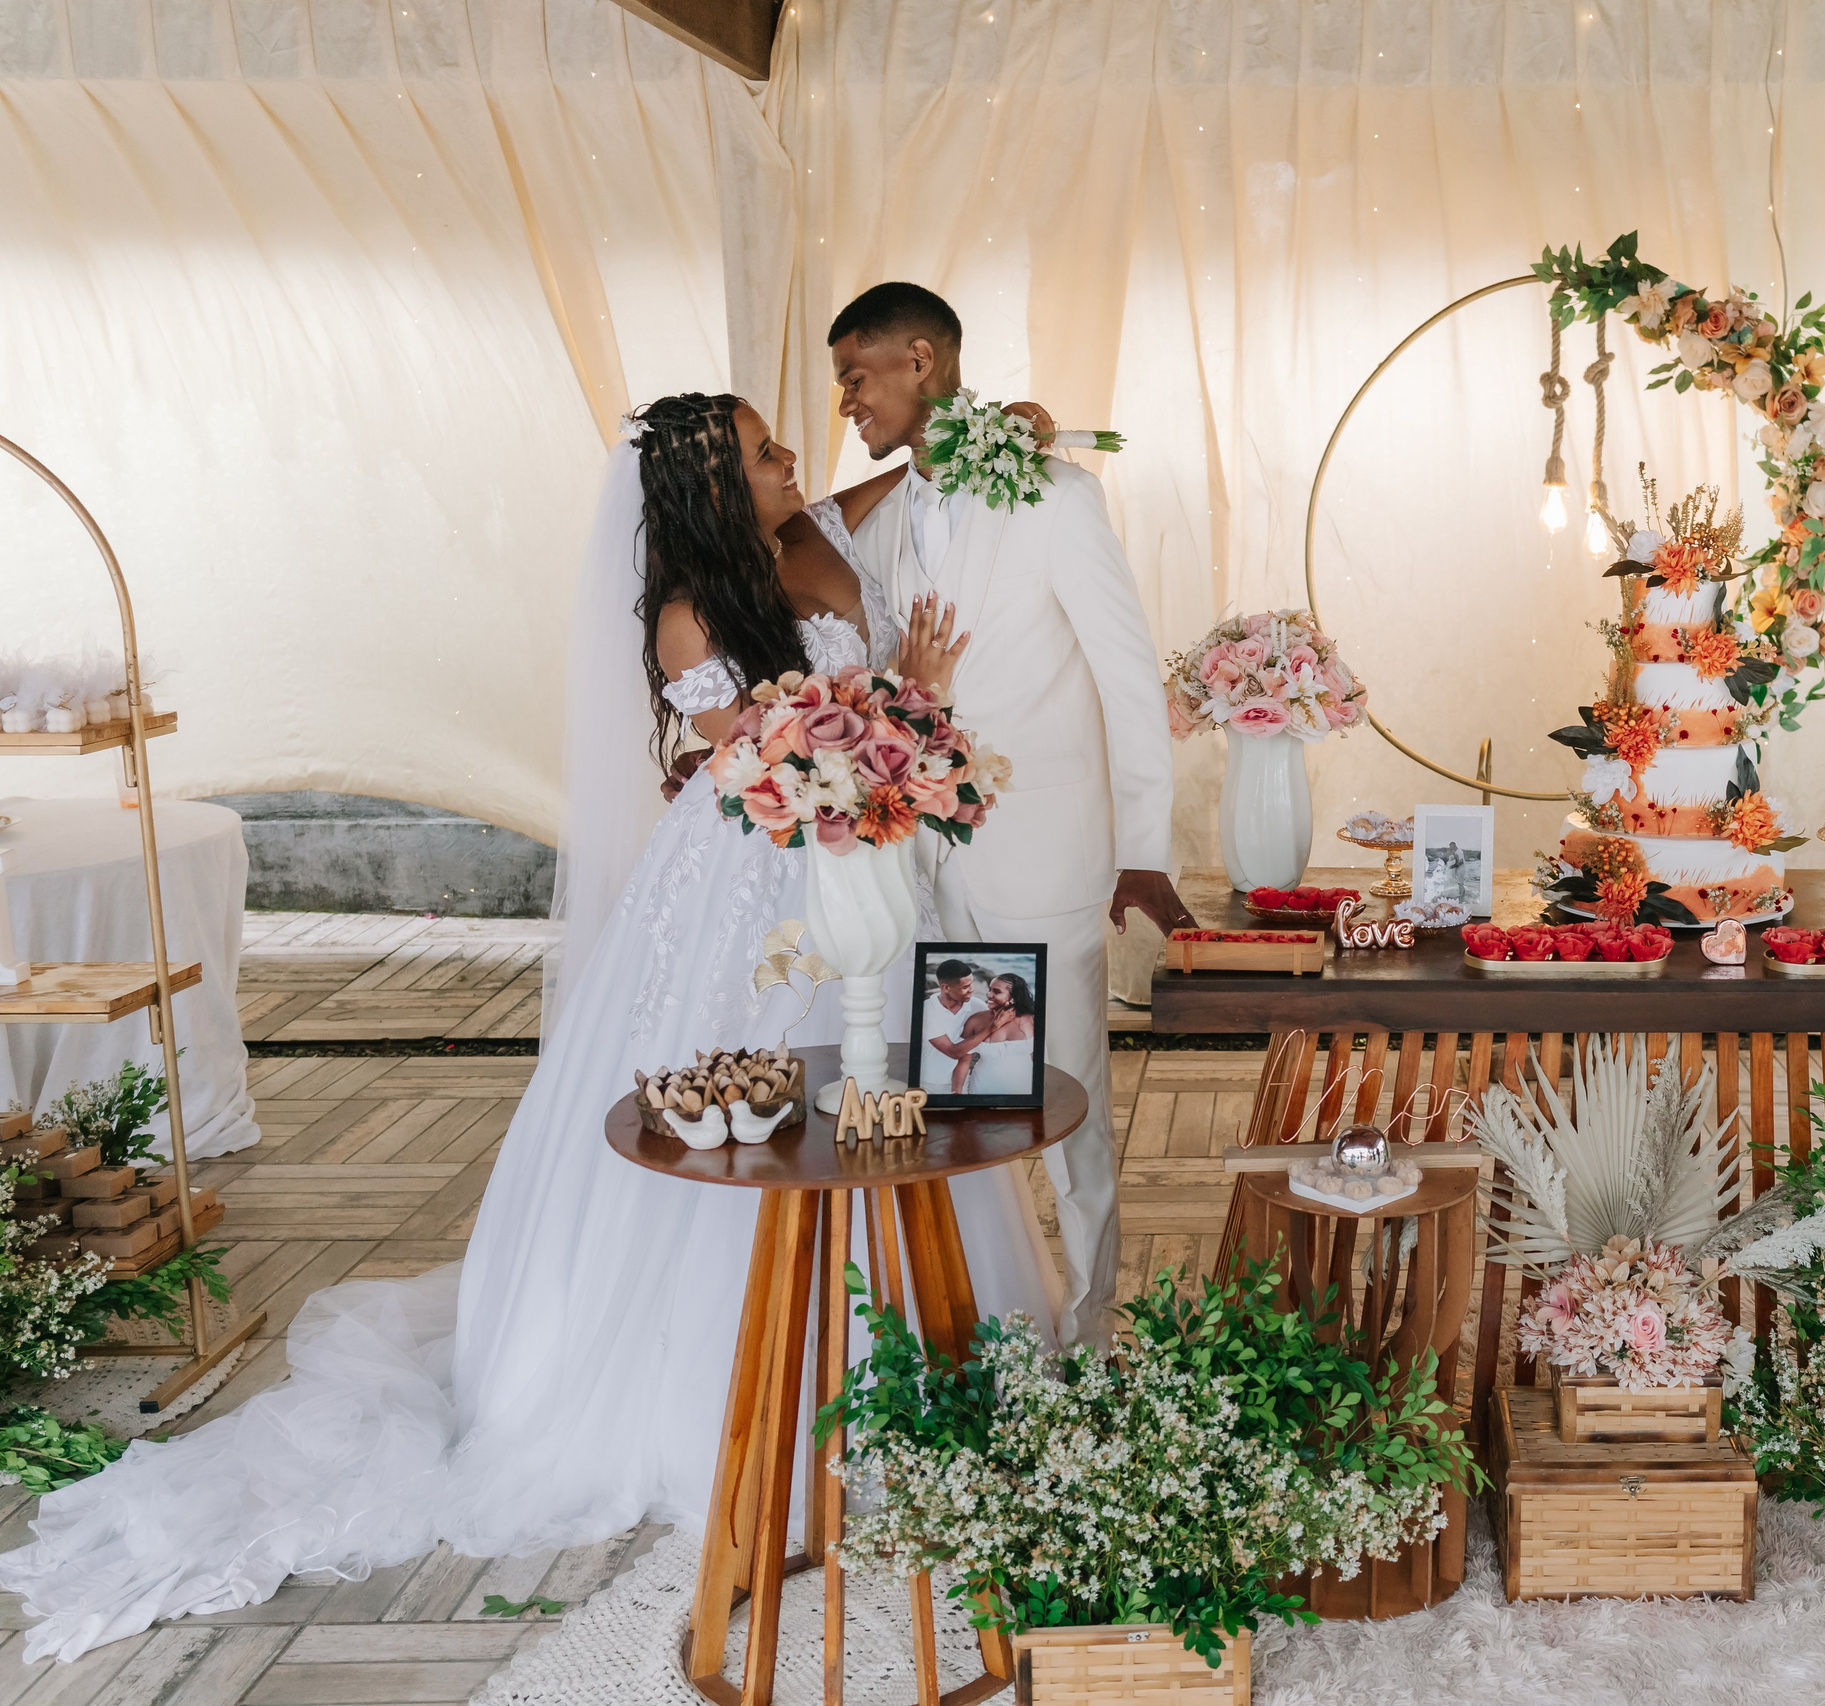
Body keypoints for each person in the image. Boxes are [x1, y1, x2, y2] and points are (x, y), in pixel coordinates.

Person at [0, 392, 1065, 1663]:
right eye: (767, 453)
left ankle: (919, 1349)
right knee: (764, 1120)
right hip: (749, 881)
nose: (793, 461)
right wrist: (907, 697)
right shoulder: (692, 612)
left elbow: (848, 702)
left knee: (886, 1092)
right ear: (716, 490)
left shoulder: (811, 546)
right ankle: (748, 1390)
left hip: (849, 853)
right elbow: (781, 760)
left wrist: (929, 615)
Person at [826, 281, 1189, 1348]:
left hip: (1047, 862)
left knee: (1069, 1112)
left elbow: (1129, 683)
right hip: (927, 870)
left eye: (858, 374)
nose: (847, 400)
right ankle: (977, 1316)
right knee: (955, 1106)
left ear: (922, 360)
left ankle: (1088, 1331)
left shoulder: (1056, 498)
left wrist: (1143, 850)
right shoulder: (881, 518)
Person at [950, 970, 1038, 1096]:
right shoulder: (975, 1021)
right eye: (990, 989)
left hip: (1025, 1088)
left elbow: (1040, 1057)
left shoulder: (1031, 1019)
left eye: (996, 991)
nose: (989, 995)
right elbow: (963, 1061)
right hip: (983, 1088)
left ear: (1013, 997)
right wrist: (956, 1093)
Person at [917, 958, 984, 1093]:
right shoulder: (927, 1010)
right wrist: (991, 1028)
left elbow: (967, 1054)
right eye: (965, 987)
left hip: (961, 1083)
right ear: (946, 988)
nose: (971, 990)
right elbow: (953, 1052)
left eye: (971, 984)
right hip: (928, 1084)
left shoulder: (977, 1006)